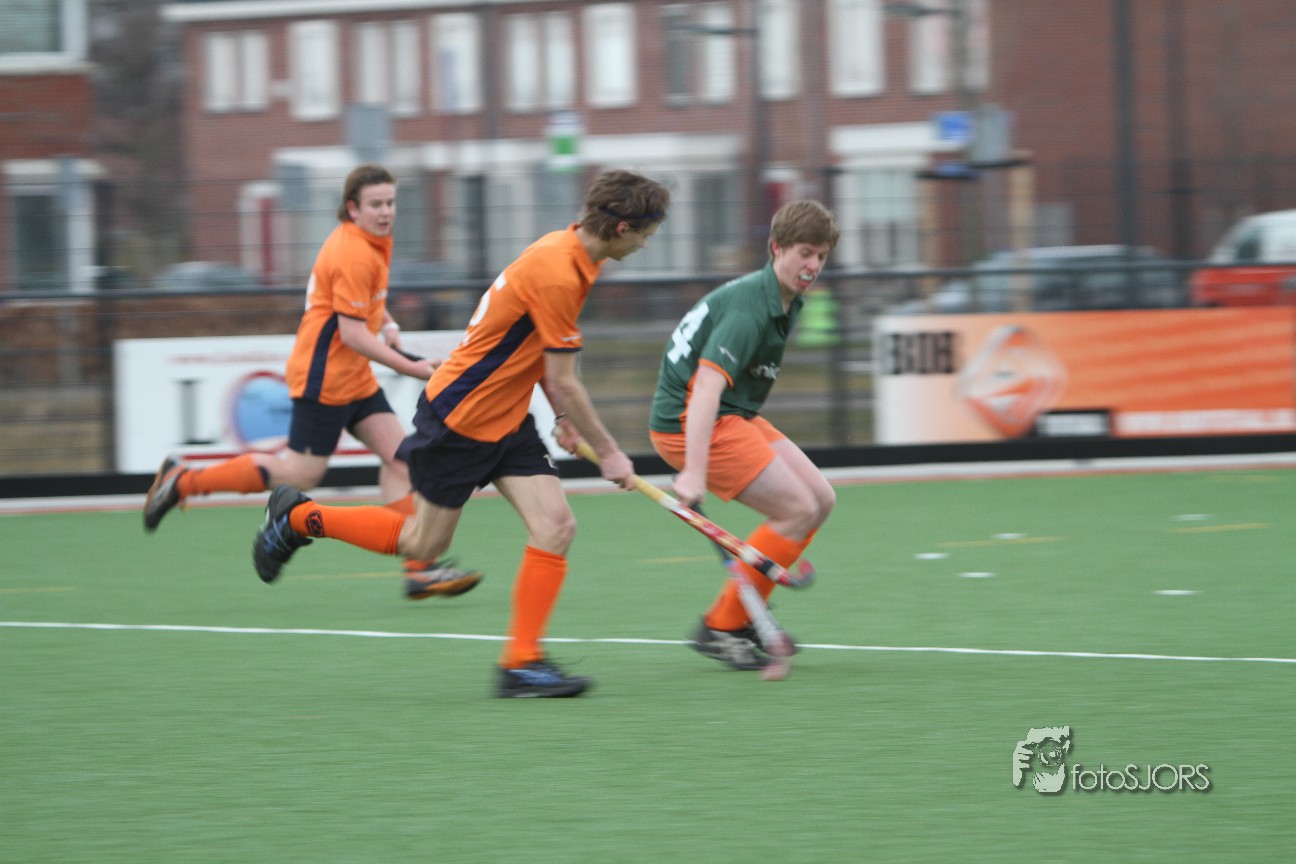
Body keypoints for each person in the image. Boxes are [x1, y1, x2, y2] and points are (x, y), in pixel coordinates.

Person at [248, 168, 671, 698]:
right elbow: (565, 379)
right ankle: (296, 518)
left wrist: (563, 420)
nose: (645, 244)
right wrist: (609, 452)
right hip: (461, 419)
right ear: (622, 227)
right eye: (645, 234)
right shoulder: (558, 271)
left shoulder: (573, 255)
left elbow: (542, 352)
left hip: (507, 416)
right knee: (422, 542)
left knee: (556, 525)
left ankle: (521, 664)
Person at [143, 163, 481, 601]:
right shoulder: (353, 251)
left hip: (353, 376)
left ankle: (420, 568)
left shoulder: (371, 241)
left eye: (390, 202)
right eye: (376, 204)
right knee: (301, 472)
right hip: (323, 378)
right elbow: (352, 333)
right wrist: (410, 366)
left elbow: (364, 300)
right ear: (352, 209)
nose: (386, 212)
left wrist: (388, 322)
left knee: (403, 460)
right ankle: (182, 481)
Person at [648, 199, 839, 671]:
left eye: (821, 256)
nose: (813, 266)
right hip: (690, 420)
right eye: (804, 253)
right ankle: (723, 626)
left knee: (820, 499)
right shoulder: (750, 309)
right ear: (777, 248)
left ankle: (744, 614)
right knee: (796, 509)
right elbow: (705, 388)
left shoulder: (786, 298)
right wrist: (693, 473)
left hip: (731, 413)